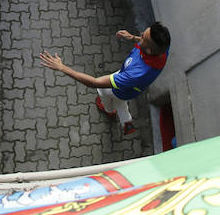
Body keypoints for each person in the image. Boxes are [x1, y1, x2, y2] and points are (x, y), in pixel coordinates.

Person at [39, 23, 171, 135]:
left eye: (142, 37)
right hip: (131, 89)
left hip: (123, 86)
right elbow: (147, 44)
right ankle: (126, 122)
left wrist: (62, 67)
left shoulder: (136, 73)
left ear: (148, 51)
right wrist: (132, 38)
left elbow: (94, 82)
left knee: (103, 92)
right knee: (121, 101)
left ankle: (109, 110)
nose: (140, 34)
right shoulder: (162, 49)